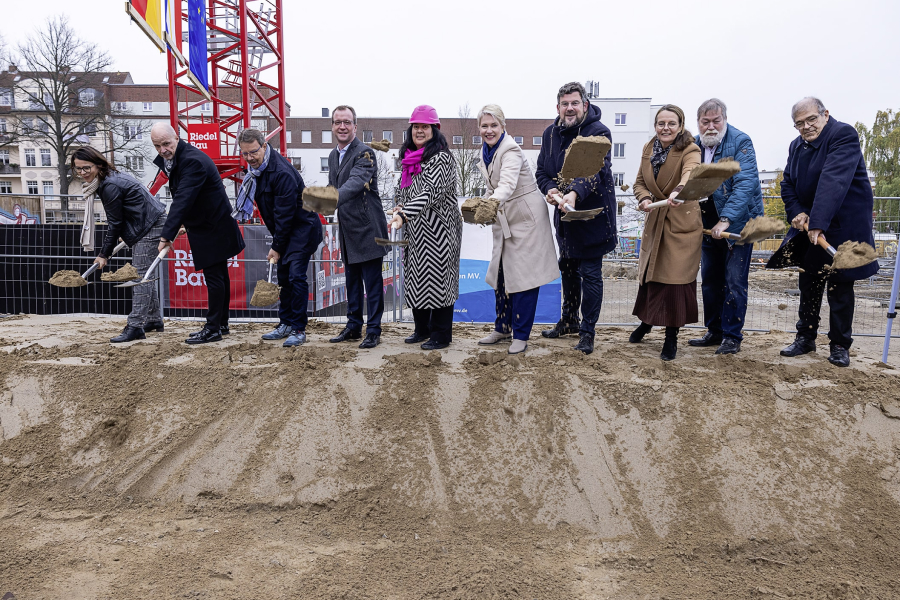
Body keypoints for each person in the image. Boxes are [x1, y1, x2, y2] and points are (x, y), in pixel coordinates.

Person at [778, 97, 879, 367]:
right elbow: (787, 183)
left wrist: (817, 222)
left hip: (843, 227)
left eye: (812, 119)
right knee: (809, 283)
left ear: (825, 114)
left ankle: (839, 345)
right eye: (799, 123)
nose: (806, 126)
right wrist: (797, 212)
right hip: (811, 225)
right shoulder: (796, 145)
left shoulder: (843, 135)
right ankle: (805, 337)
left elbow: (833, 180)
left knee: (840, 287)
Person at [535, 82, 618, 355]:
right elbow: (541, 173)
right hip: (565, 218)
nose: (569, 108)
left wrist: (574, 193)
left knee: (590, 274)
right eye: (564, 104)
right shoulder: (549, 135)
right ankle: (569, 320)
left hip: (592, 216)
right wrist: (551, 190)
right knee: (568, 269)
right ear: (557, 107)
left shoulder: (598, 131)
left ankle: (587, 331)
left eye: (574, 103)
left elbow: (596, 171)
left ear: (585, 105)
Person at [151, 122, 245, 344]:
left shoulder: (192, 161)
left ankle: (213, 328)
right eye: (157, 146)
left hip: (211, 227)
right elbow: (187, 198)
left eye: (166, 143)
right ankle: (221, 323)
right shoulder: (180, 158)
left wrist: (166, 236)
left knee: (215, 278)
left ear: (177, 138)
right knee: (219, 276)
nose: (163, 150)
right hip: (210, 224)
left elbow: (182, 200)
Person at [475, 104, 558, 354]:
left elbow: (507, 184)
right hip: (506, 215)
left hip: (525, 217)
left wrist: (489, 205)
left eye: (494, 125)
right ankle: (502, 327)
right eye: (484, 126)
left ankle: (520, 335)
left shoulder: (510, 149)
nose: (489, 130)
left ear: (503, 126)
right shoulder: (486, 152)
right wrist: (483, 203)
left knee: (523, 278)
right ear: (479, 128)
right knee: (501, 273)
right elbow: (493, 187)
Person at [688, 99, 763, 355]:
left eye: (715, 121)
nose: (710, 127)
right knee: (710, 280)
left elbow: (745, 183)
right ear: (698, 122)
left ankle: (732, 336)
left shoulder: (741, 142)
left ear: (725, 119)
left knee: (734, 281)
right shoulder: (694, 145)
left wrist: (727, 219)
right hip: (708, 224)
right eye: (705, 122)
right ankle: (714, 330)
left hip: (738, 225)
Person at [235, 128, 323, 347]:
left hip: (302, 230)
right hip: (286, 230)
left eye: (253, 152)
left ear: (264, 146)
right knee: (283, 278)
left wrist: (276, 246)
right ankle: (285, 323)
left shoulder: (281, 172)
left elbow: (284, 215)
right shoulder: (256, 172)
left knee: (295, 277)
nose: (249, 158)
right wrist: (278, 243)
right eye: (244, 154)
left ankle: (298, 328)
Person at [71, 146, 167, 343]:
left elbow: (114, 223)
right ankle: (153, 319)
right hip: (147, 222)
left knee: (139, 276)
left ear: (98, 165)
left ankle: (135, 326)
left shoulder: (109, 186)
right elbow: (128, 211)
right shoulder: (109, 178)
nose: (82, 173)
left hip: (151, 225)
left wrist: (104, 254)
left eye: (86, 168)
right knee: (144, 274)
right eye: (77, 169)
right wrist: (127, 234)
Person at [629, 104, 702, 361]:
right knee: (652, 278)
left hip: (680, 223)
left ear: (680, 125)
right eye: (661, 123)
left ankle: (671, 337)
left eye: (671, 123)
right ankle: (647, 322)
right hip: (655, 219)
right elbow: (639, 181)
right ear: (655, 125)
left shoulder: (690, 148)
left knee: (675, 282)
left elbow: (691, 172)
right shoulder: (649, 149)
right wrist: (644, 197)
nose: (666, 128)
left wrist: (680, 190)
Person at [389, 105, 462, 350]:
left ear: (434, 130)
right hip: (415, 230)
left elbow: (430, 192)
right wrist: (399, 206)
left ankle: (441, 335)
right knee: (415, 279)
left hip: (439, 231)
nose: (420, 131)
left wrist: (405, 213)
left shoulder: (441, 159)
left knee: (439, 279)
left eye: (425, 126)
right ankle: (422, 329)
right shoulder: (410, 158)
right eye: (416, 127)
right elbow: (405, 191)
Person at [326, 105, 389, 349]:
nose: (342, 126)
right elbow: (334, 187)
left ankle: (373, 330)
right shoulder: (333, 156)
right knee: (351, 282)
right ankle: (353, 326)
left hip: (368, 228)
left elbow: (354, 184)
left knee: (372, 284)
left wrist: (331, 199)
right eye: (338, 122)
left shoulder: (365, 154)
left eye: (347, 122)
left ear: (355, 126)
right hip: (348, 228)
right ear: (332, 126)